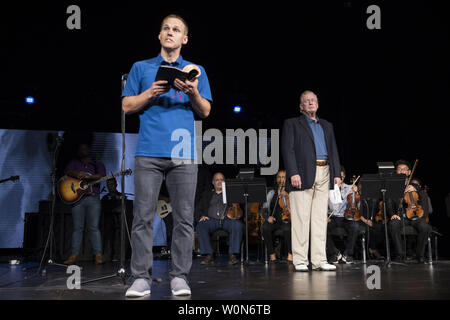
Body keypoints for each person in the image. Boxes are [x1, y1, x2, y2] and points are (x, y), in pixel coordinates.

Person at [122, 14, 212, 297]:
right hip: (148, 151)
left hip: (183, 153)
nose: (170, 32)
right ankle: (140, 278)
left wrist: (193, 92)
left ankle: (179, 277)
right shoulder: (141, 67)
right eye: (166, 29)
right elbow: (126, 106)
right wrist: (150, 93)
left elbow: (205, 110)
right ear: (159, 36)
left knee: (184, 218)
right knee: (143, 217)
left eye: (176, 30)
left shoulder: (195, 70)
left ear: (184, 39)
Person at [281, 90, 341, 272]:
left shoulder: (326, 125)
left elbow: (333, 150)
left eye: (313, 100)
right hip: (303, 173)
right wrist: (293, 172)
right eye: (306, 101)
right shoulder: (292, 123)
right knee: (301, 218)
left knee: (319, 219)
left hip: (325, 171)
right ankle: (300, 260)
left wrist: (336, 173)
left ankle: (319, 260)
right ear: (301, 107)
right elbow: (287, 149)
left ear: (318, 104)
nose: (310, 102)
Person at [64, 143, 106, 265]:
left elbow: (101, 175)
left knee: (94, 227)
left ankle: (98, 255)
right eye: (81, 149)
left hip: (93, 198)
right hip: (77, 199)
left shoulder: (98, 165)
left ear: (89, 150)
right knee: (78, 228)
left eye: (85, 148)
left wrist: (90, 177)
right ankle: (74, 255)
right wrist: (77, 174)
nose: (83, 150)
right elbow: (67, 171)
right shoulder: (74, 163)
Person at [388, 159, 432, 263]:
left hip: (416, 216)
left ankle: (419, 255)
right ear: (396, 172)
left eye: (404, 169)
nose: (402, 171)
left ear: (409, 172)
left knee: (425, 227)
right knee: (393, 224)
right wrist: (393, 214)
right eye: (399, 169)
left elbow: (424, 201)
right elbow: (389, 202)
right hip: (401, 216)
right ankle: (400, 255)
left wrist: (415, 189)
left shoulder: (416, 187)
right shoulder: (392, 187)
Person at [196, 172, 244, 265]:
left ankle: (232, 255)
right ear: (213, 182)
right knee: (201, 226)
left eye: (221, 179)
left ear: (224, 182)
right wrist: (201, 216)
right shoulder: (207, 194)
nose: (219, 182)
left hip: (227, 220)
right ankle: (209, 255)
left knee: (237, 225)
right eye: (217, 180)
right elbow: (199, 208)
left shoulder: (230, 193)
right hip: (211, 220)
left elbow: (240, 208)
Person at [326, 167, 371, 264]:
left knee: (355, 226)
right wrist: (324, 217)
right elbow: (322, 205)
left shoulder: (350, 188)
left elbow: (357, 207)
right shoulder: (327, 189)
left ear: (344, 176)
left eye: (341, 177)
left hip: (346, 216)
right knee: (321, 228)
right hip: (332, 217)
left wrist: (356, 194)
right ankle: (334, 253)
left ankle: (348, 254)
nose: (339, 179)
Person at [262, 170, 292, 262]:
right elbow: (264, 208)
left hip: (287, 220)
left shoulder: (291, 192)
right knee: (265, 227)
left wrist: (287, 196)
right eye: (279, 177)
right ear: (276, 179)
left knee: (287, 228)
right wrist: (268, 217)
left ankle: (290, 254)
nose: (281, 179)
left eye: (283, 177)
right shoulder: (272, 192)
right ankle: (272, 254)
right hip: (274, 220)